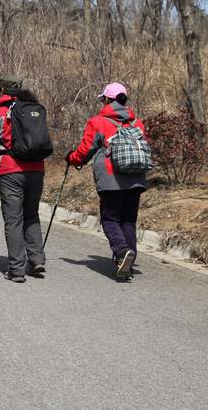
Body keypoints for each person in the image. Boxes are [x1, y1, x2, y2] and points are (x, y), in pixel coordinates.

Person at [65, 82, 150, 281]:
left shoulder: (99, 122)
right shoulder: (136, 122)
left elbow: (85, 151)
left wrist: (72, 159)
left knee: (110, 219)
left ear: (107, 100)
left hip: (111, 179)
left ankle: (121, 252)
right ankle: (126, 263)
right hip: (136, 178)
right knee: (128, 220)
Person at [0, 76, 47, 283]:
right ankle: (36, 260)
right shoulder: (34, 109)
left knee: (13, 219)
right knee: (31, 214)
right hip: (37, 169)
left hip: (11, 170)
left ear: (1, 90)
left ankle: (17, 269)